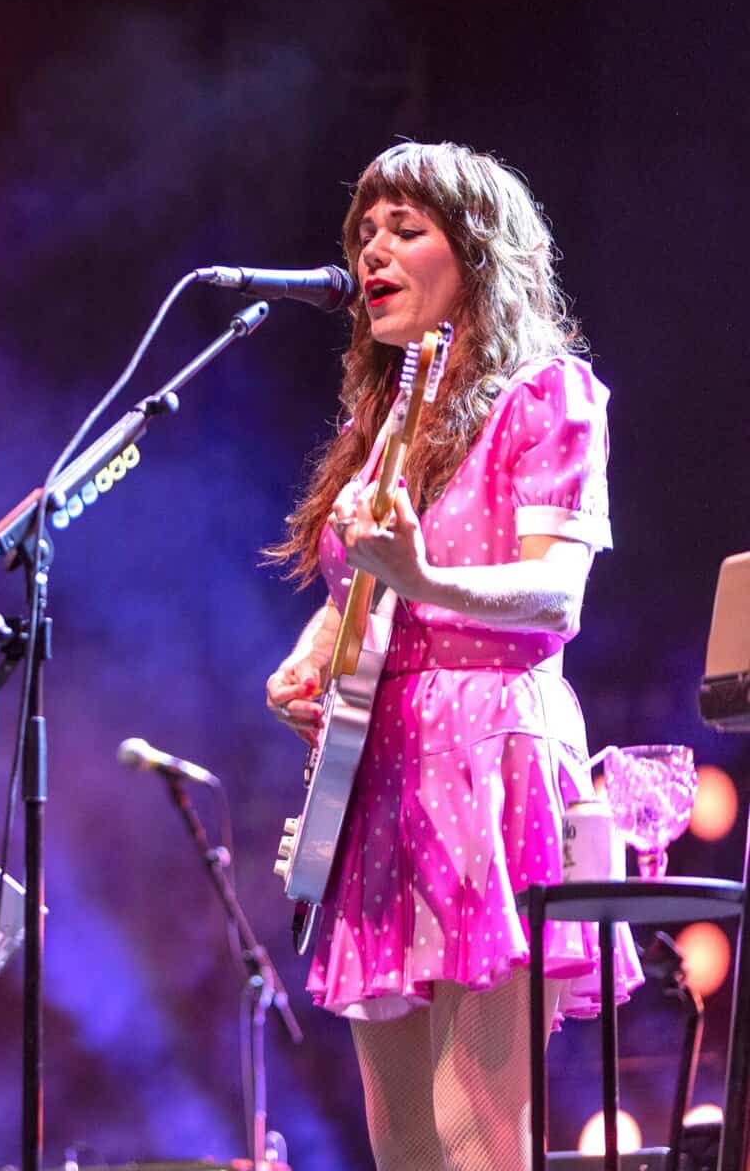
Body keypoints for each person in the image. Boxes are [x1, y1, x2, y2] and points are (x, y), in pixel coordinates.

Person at [262, 142, 640, 1170]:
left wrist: (423, 579)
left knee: (474, 1123)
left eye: (406, 229)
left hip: (489, 753)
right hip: (381, 771)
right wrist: (311, 659)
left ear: (474, 254)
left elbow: (556, 595)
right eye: (365, 231)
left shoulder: (547, 395)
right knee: (404, 1140)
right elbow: (360, 588)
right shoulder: (384, 418)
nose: (372, 251)